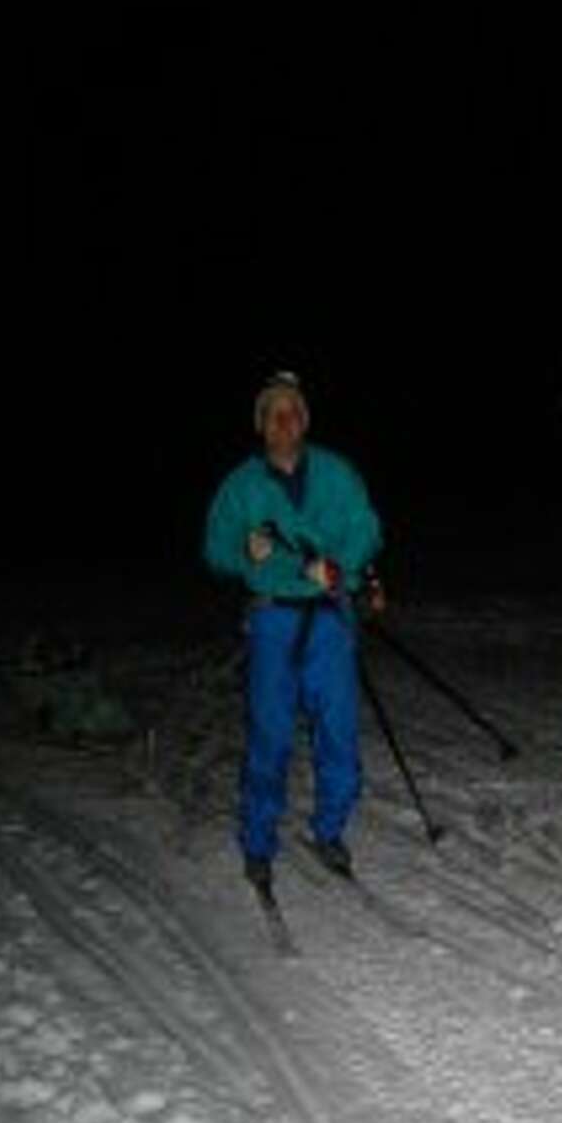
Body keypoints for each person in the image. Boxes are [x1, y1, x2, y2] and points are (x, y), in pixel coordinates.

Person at [204, 371, 383, 898]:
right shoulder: (241, 484)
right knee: (271, 735)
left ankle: (329, 831)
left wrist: (337, 567)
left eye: (293, 411)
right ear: (261, 424)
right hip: (272, 620)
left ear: (305, 419)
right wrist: (243, 552)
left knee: (339, 737)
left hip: (329, 619)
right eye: (274, 413)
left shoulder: (336, 473)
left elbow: (366, 530)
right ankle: (258, 843)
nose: (285, 420)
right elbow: (214, 547)